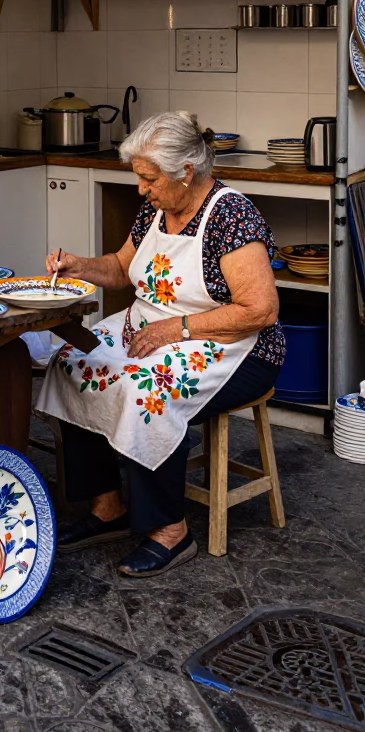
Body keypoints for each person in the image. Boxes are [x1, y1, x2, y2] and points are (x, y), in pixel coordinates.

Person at [37, 111, 284, 579]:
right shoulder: (157, 208)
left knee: (145, 390)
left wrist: (177, 329)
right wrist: (78, 265)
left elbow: (260, 310)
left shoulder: (230, 215)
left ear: (185, 171)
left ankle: (171, 530)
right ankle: (109, 507)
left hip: (233, 344)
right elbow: (120, 268)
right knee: (72, 361)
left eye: (149, 179)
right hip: (151, 326)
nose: (141, 189)